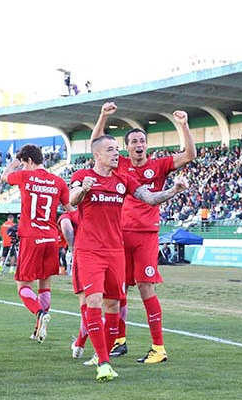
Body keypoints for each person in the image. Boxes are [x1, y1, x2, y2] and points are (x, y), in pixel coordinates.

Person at [70, 134, 188, 381]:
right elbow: (72, 200)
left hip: (116, 251)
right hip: (89, 250)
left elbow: (150, 198)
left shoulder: (124, 179)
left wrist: (174, 190)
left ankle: (104, 356)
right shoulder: (82, 177)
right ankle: (102, 362)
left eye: (116, 149)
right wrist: (83, 190)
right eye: (111, 150)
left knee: (113, 305)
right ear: (97, 155)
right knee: (93, 301)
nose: (116, 154)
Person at [90, 102, 196, 364]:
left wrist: (183, 126)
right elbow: (96, 144)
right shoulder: (120, 164)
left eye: (142, 141)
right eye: (134, 141)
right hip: (118, 235)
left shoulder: (159, 166)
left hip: (146, 235)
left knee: (146, 288)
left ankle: (158, 348)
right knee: (116, 291)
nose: (139, 144)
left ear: (146, 145)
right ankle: (119, 340)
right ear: (127, 147)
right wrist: (103, 116)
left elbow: (189, 155)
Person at [0, 144, 73, 343]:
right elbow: (70, 209)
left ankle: (39, 314)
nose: (22, 167)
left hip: (31, 236)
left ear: (30, 161)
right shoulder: (59, 182)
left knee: (23, 285)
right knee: (45, 284)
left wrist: (15, 161)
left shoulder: (25, 176)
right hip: (51, 237)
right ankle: (38, 330)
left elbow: (4, 176)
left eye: (24, 164)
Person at [59, 210, 88, 359]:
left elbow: (66, 226)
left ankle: (82, 346)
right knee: (111, 303)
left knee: (87, 304)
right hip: (112, 253)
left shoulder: (73, 214)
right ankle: (118, 341)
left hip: (85, 255)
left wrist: (73, 246)